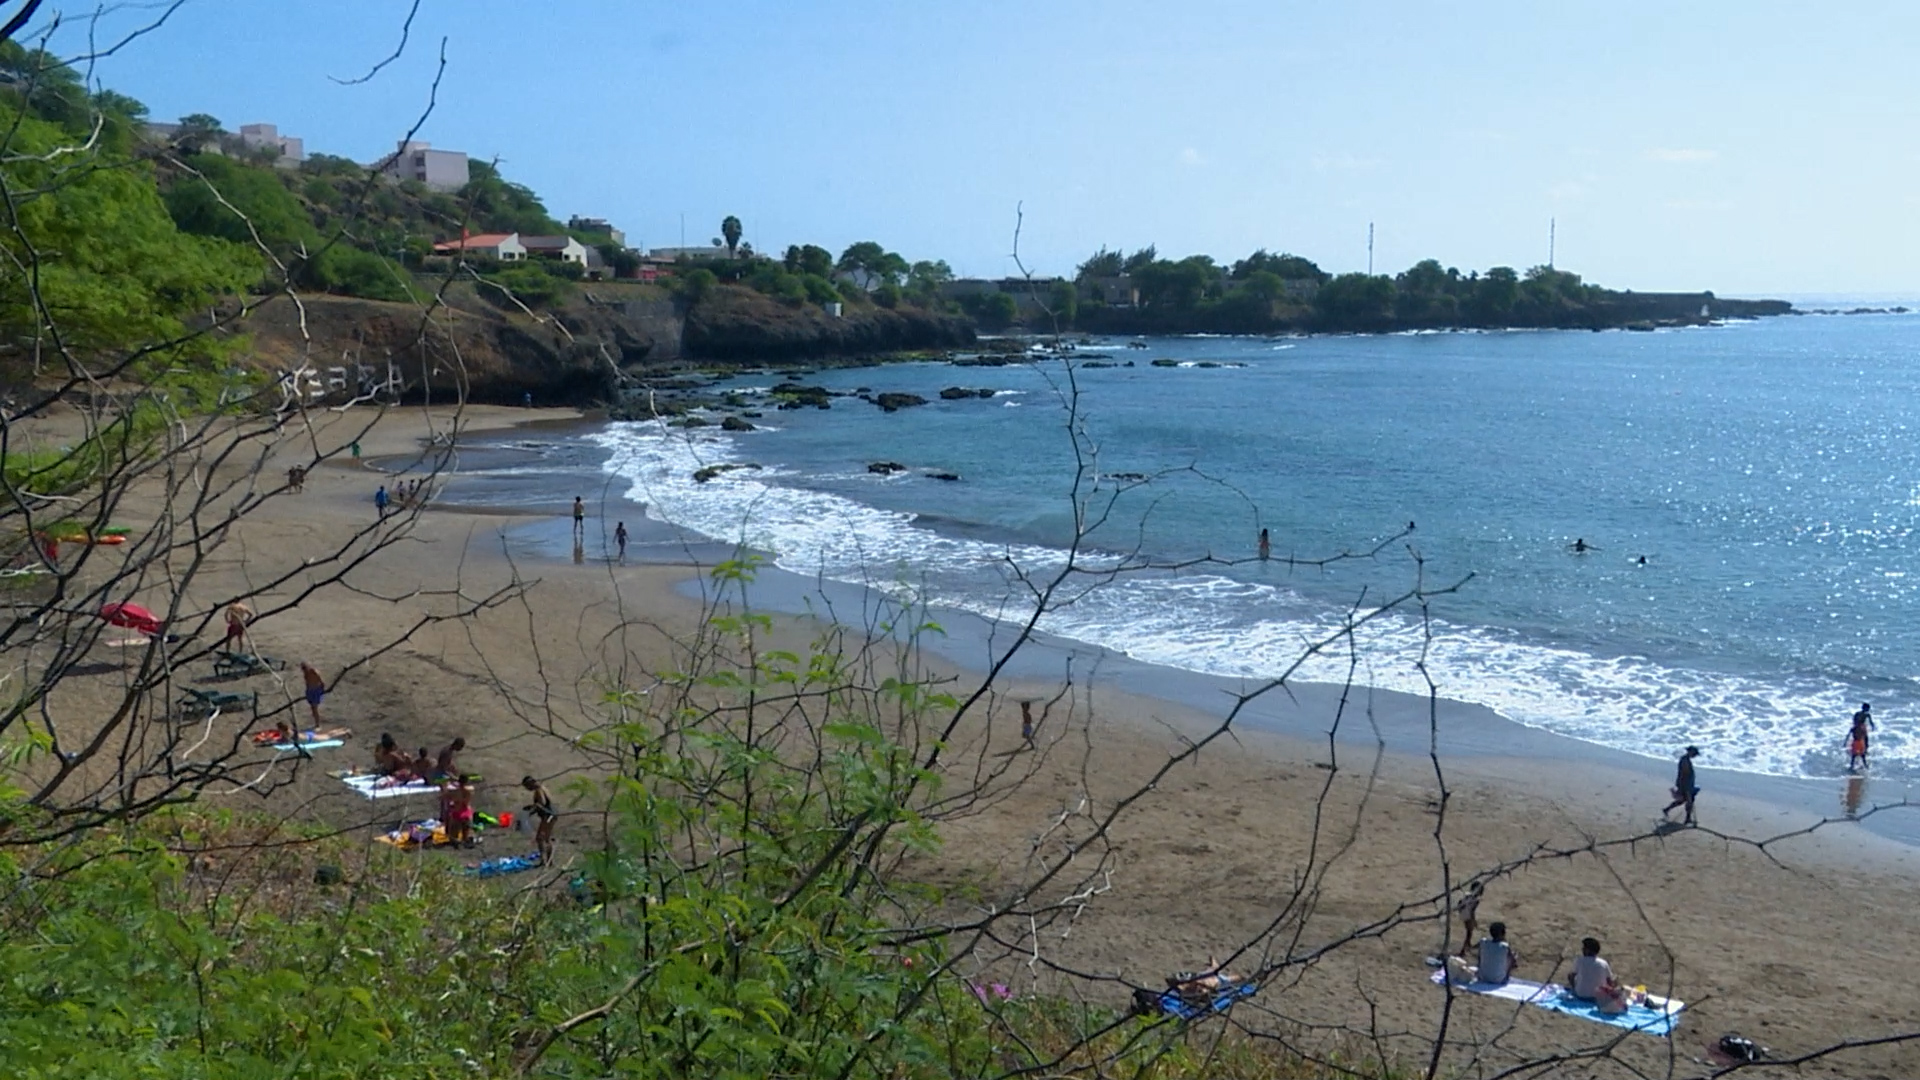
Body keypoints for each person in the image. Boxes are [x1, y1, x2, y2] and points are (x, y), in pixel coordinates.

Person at [1663, 745, 1701, 825]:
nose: (1695, 756)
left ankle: (1667, 809)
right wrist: (1686, 787)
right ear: (1690, 752)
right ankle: (1687, 819)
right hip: (1685, 785)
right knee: (1689, 801)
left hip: (1687, 784)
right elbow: (1685, 774)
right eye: (1694, 754)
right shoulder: (1684, 760)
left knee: (1682, 801)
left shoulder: (1686, 760)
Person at [523, 774, 556, 865]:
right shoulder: (543, 788)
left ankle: (545, 860)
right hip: (551, 814)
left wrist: (531, 809)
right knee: (545, 838)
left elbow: (541, 803)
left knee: (542, 838)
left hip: (548, 815)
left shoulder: (539, 790)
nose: (527, 789)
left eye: (527, 786)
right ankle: (548, 860)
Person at [444, 776, 476, 847]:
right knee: (466, 832)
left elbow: (445, 797)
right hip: (466, 812)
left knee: (453, 835)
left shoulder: (454, 792)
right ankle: (466, 839)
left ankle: (455, 840)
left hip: (457, 813)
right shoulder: (469, 791)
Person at [1455, 880, 1483, 959]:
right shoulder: (1476, 900)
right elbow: (1472, 911)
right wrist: (1474, 921)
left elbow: (1459, 903)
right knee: (1469, 933)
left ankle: (1468, 945)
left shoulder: (1466, 895)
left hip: (1464, 913)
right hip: (1468, 915)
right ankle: (1463, 950)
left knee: (1469, 932)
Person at [1847, 703, 1874, 772]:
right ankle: (1863, 753)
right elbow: (1855, 721)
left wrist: (1872, 726)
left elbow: (1870, 722)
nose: (1867, 710)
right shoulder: (1863, 714)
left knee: (1862, 741)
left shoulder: (1863, 714)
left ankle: (1864, 751)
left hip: (1860, 727)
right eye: (1867, 708)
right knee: (1861, 740)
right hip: (1860, 727)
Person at [300, 662, 326, 726]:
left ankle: (317, 724)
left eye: (305, 668)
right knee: (313, 709)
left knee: (315, 708)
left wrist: (321, 691)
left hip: (316, 691)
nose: (304, 670)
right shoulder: (305, 674)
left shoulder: (313, 671)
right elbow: (307, 683)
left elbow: (321, 681)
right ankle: (316, 721)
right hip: (310, 691)